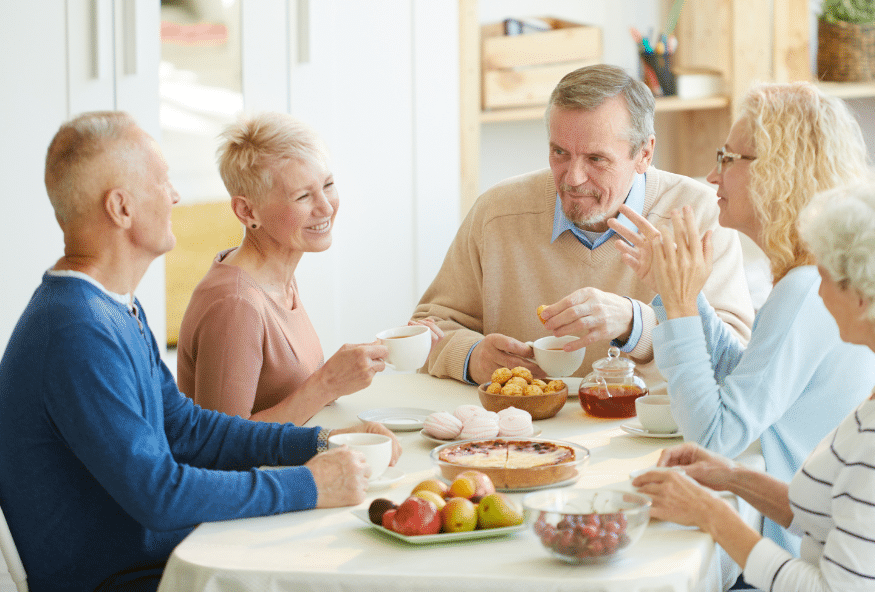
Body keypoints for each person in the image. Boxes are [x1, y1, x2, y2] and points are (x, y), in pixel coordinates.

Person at [0, 111, 398, 592]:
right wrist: (310, 484)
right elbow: (160, 494)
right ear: (121, 208)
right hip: (135, 579)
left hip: (170, 557)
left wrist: (316, 443)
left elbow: (188, 429)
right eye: (162, 181)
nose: (175, 195)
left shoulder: (110, 307)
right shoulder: (75, 332)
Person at [632, 180, 875, 592]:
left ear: (861, 296)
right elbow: (854, 517)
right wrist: (732, 476)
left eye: (821, 277)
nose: (815, 292)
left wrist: (712, 516)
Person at [609, 82, 875, 580]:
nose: (713, 174)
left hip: (789, 559)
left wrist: (682, 303)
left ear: (780, 170)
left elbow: (717, 435)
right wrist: (677, 294)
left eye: (729, 157)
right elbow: (748, 387)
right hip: (803, 532)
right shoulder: (814, 277)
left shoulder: (807, 289)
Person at [414, 64, 755, 385]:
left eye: (596, 159)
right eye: (560, 153)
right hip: (521, 433)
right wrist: (474, 357)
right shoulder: (498, 212)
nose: (573, 178)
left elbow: (736, 362)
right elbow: (427, 328)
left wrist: (636, 324)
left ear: (644, 154)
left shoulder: (700, 215)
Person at [177, 111, 441, 424]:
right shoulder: (235, 305)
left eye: (328, 185)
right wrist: (327, 382)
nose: (326, 207)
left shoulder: (276, 278)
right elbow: (220, 449)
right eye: (303, 196)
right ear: (247, 210)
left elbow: (286, 393)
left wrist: (385, 350)